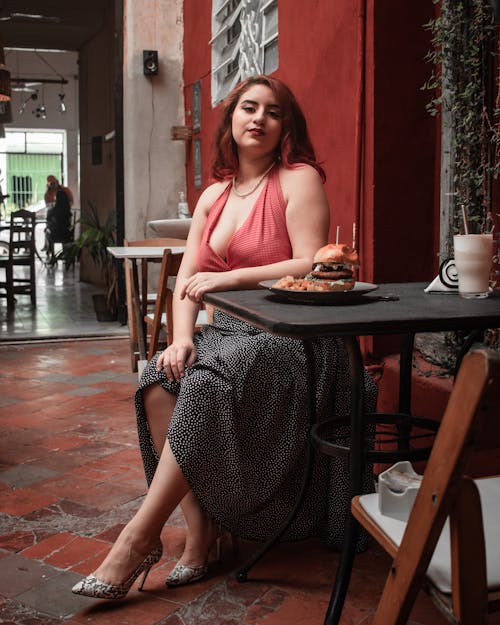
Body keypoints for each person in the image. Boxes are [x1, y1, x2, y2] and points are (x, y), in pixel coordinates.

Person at [72, 75, 377, 599]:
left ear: (286, 127)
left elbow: (308, 258)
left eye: (273, 112)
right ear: (232, 120)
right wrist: (181, 338)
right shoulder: (213, 194)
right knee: (158, 379)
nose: (258, 118)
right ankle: (199, 533)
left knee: (211, 381)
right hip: (230, 332)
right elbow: (188, 280)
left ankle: (137, 539)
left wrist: (228, 278)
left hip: (294, 332)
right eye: (248, 108)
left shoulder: (299, 178)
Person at [43, 175, 74, 261]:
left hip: (57, 232)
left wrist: (53, 210)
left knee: (47, 230)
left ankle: (51, 253)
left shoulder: (65, 190)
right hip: (67, 231)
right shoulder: (69, 213)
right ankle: (51, 250)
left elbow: (49, 217)